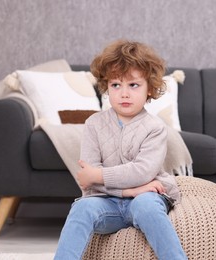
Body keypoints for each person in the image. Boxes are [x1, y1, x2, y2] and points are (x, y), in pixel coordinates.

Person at [54, 40, 187, 260]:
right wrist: (128, 191)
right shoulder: (93, 124)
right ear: (106, 87)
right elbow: (89, 182)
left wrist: (99, 176)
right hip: (107, 204)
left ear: (150, 89)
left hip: (147, 196)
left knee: (146, 205)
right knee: (81, 208)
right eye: (116, 85)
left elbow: (141, 172)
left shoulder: (154, 128)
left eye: (133, 85)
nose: (124, 93)